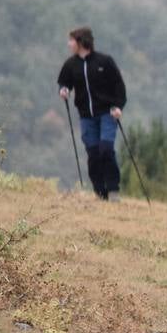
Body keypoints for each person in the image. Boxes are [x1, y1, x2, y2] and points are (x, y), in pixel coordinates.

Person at [57, 26, 127, 201]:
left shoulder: (105, 61)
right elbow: (64, 83)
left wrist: (118, 106)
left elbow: (119, 85)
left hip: (107, 114)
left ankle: (113, 191)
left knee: (106, 149)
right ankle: (99, 192)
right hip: (86, 116)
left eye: (71, 40)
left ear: (81, 42)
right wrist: (64, 90)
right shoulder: (70, 65)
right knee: (93, 153)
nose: (69, 44)